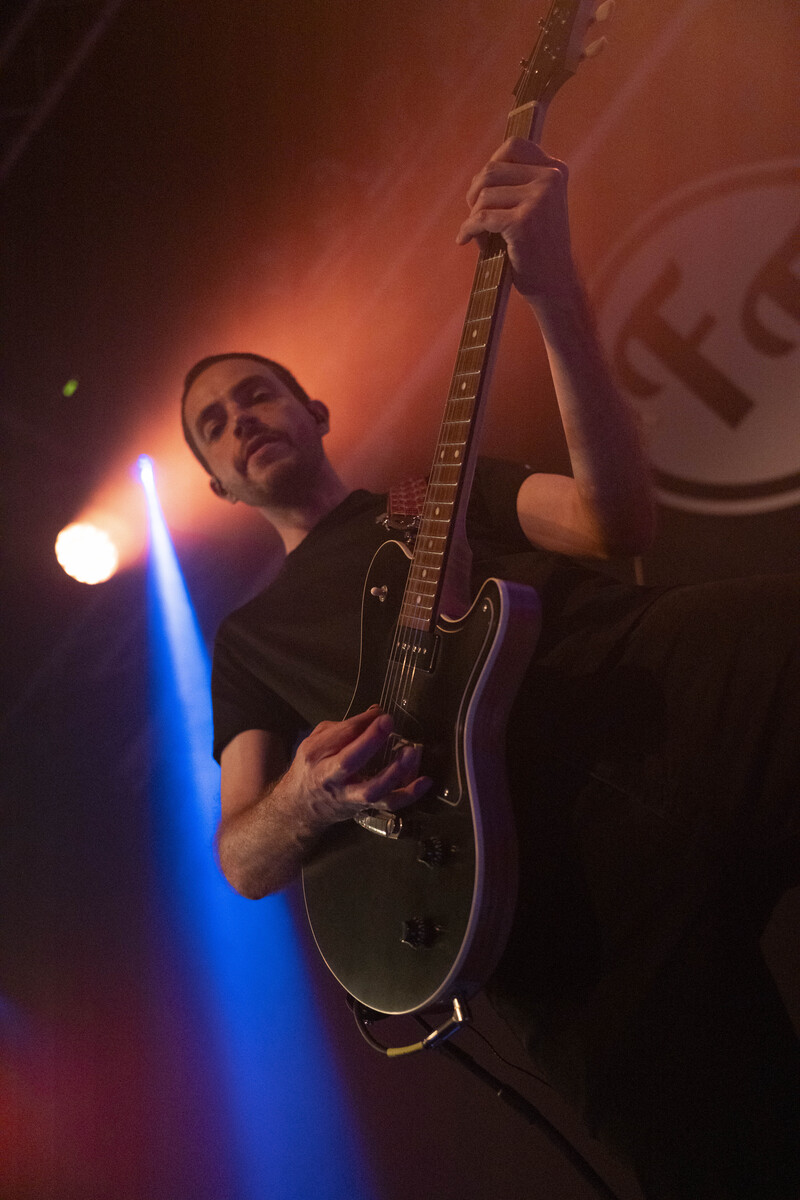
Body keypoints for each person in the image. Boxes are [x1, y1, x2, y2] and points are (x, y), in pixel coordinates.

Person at [181, 139, 800, 1200]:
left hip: (657, 699)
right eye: (215, 427)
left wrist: (554, 291)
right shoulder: (250, 639)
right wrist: (308, 795)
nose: (241, 420)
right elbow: (242, 855)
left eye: (257, 396)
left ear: (313, 413)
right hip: (541, 898)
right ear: (219, 487)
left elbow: (616, 522)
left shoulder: (432, 491)